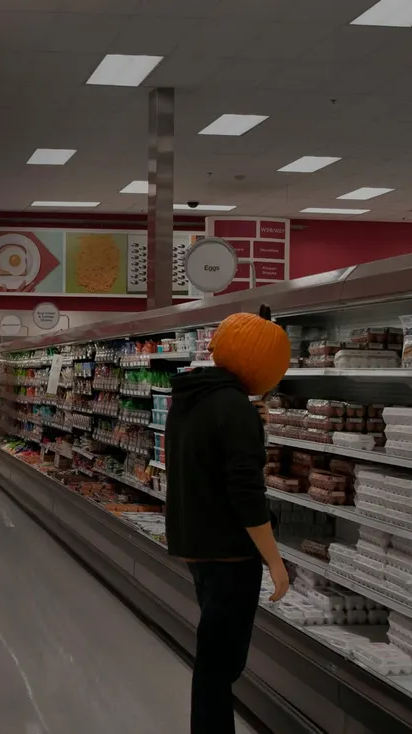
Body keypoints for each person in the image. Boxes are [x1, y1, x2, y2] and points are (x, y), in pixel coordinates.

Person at [164, 306, 292, 734]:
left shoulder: (189, 399)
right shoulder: (235, 408)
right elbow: (245, 491)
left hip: (197, 545)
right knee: (220, 664)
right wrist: (273, 560)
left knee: (217, 655)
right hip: (230, 552)